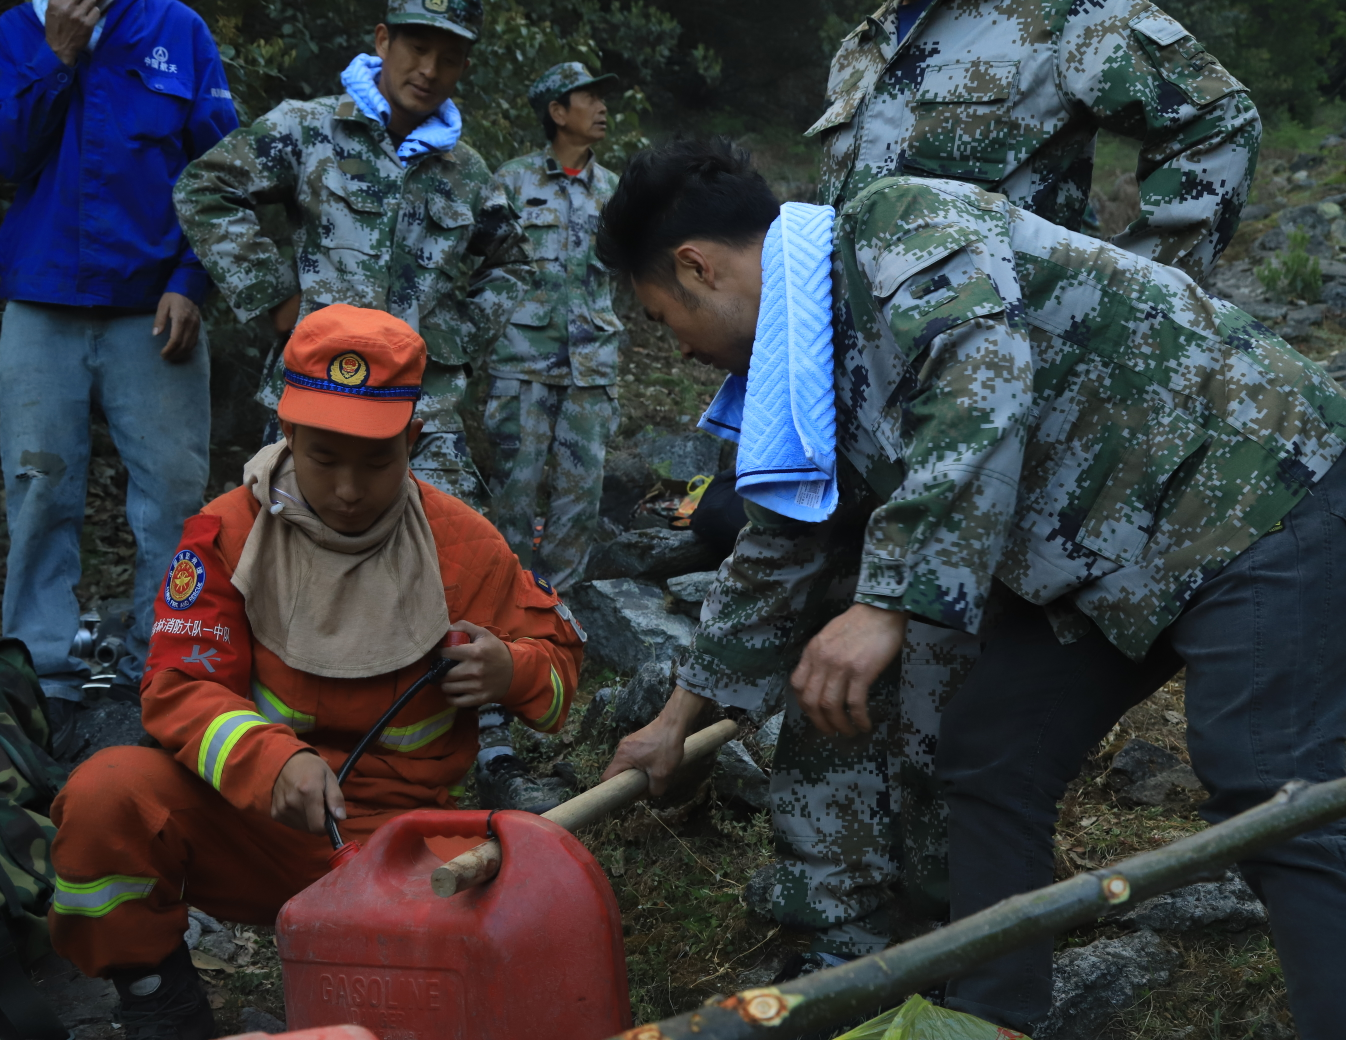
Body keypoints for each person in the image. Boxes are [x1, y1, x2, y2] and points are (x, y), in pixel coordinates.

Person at [595, 139, 1346, 1039]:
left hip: (1251, 485)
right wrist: (676, 718)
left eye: (659, 317)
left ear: (696, 267)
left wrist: (885, 604)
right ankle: (994, 1021)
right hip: (1104, 552)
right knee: (990, 749)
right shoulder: (801, 364)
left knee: (1268, 783)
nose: (676, 351)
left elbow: (980, 388)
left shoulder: (898, 226)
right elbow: (783, 538)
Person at [742, 0, 1264, 965]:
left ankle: (961, 942)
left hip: (996, 412)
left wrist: (1137, 302)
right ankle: (837, 926)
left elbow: (1216, 118)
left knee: (951, 691)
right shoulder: (869, 40)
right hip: (884, 410)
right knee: (843, 658)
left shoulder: (1055, 14)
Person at [48, 305, 584, 1040]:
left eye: (377, 461)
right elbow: (177, 691)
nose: (348, 490)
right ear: (287, 433)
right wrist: (272, 763)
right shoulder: (227, 533)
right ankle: (156, 999)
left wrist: (509, 669)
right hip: (259, 825)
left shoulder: (463, 546)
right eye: (324, 458)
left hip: (409, 845)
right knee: (106, 795)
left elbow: (560, 676)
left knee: (505, 940)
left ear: (414, 442)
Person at [0, 0, 239, 743]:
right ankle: (44, 672)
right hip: (42, 303)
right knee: (38, 489)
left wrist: (193, 280)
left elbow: (223, 170)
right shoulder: (19, 30)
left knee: (174, 498)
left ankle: (164, 663)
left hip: (155, 307)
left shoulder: (175, 29)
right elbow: (2, 151)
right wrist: (55, 56)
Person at [172, 0, 528, 505]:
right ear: (383, 41)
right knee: (292, 546)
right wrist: (273, 296)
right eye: (418, 48)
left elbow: (513, 260)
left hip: (422, 407)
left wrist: (454, 340)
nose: (429, 70)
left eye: (448, 58)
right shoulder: (310, 129)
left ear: (464, 69)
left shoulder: (466, 171)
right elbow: (205, 187)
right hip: (316, 386)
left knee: (445, 556)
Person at [469, 62, 623, 813]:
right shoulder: (505, 181)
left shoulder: (614, 189)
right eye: (589, 98)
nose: (601, 108)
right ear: (556, 109)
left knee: (576, 511)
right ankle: (503, 659)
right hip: (521, 369)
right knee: (512, 510)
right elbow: (481, 269)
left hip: (591, 369)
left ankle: (552, 654)